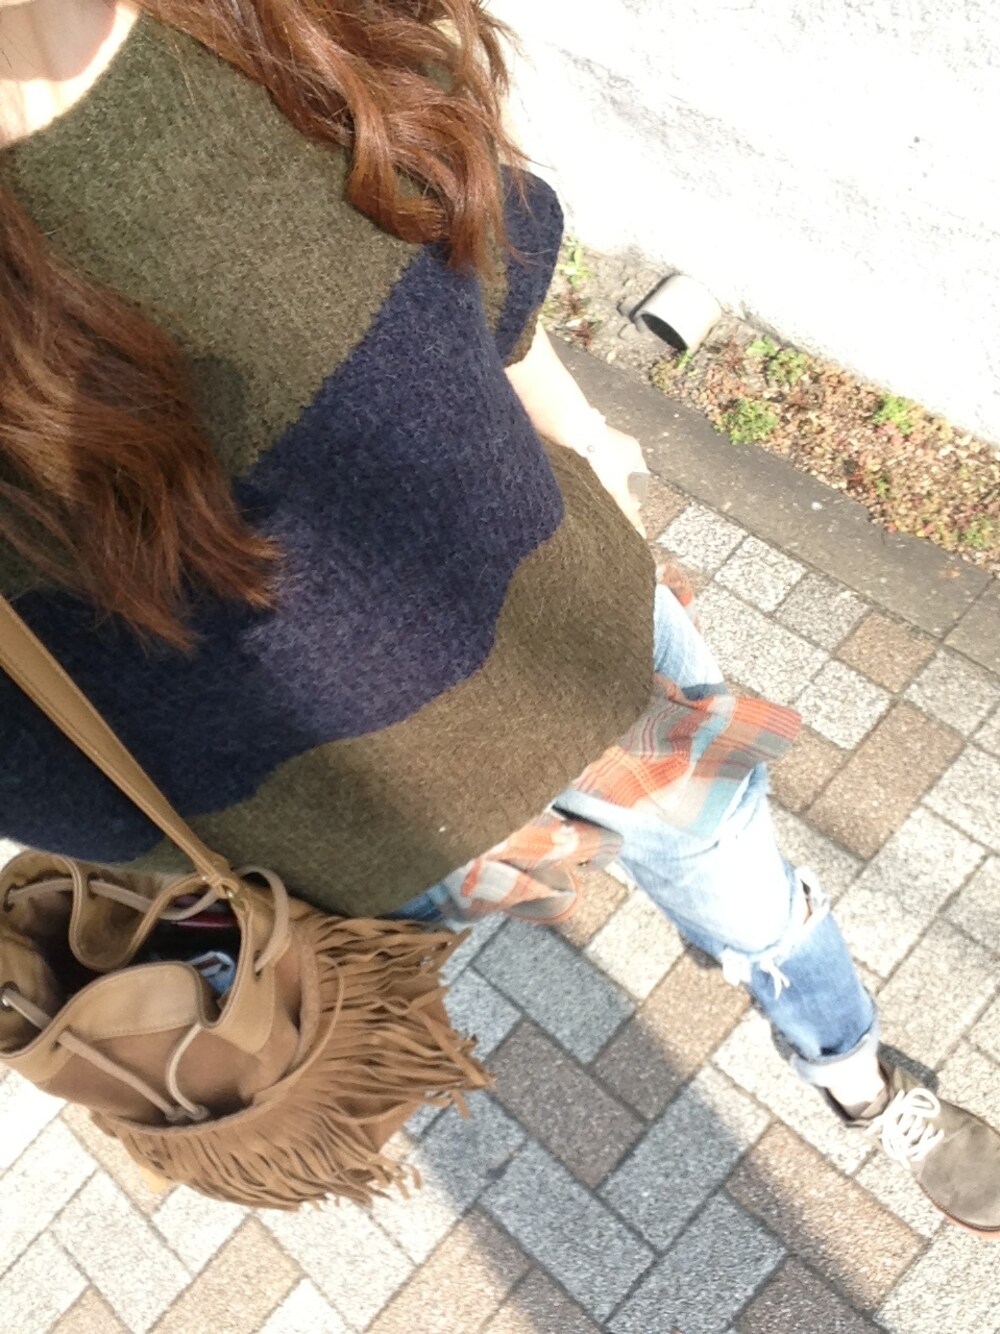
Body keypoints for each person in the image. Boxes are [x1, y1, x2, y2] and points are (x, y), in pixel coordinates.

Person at [0, 0, 996, 1237]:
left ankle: (853, 1077)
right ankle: (849, 1071)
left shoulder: (266, 22)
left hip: (588, 663)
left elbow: (480, 229)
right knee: (725, 877)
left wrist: (582, 432)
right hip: (400, 831)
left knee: (749, 892)